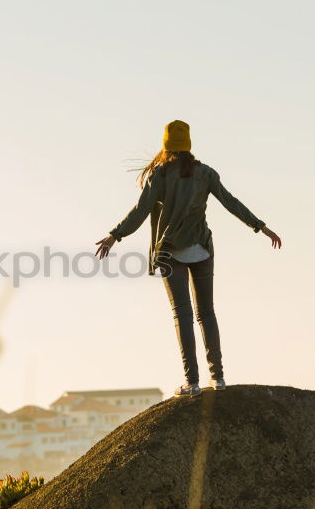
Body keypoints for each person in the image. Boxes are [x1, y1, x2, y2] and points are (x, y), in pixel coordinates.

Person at [95, 120, 281, 397]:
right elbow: (230, 202)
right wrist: (260, 226)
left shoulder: (158, 176)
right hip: (202, 250)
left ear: (166, 146)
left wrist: (115, 235)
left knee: (182, 315)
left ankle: (191, 382)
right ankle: (217, 378)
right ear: (188, 145)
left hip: (170, 252)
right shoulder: (205, 173)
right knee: (207, 313)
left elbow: (140, 210)